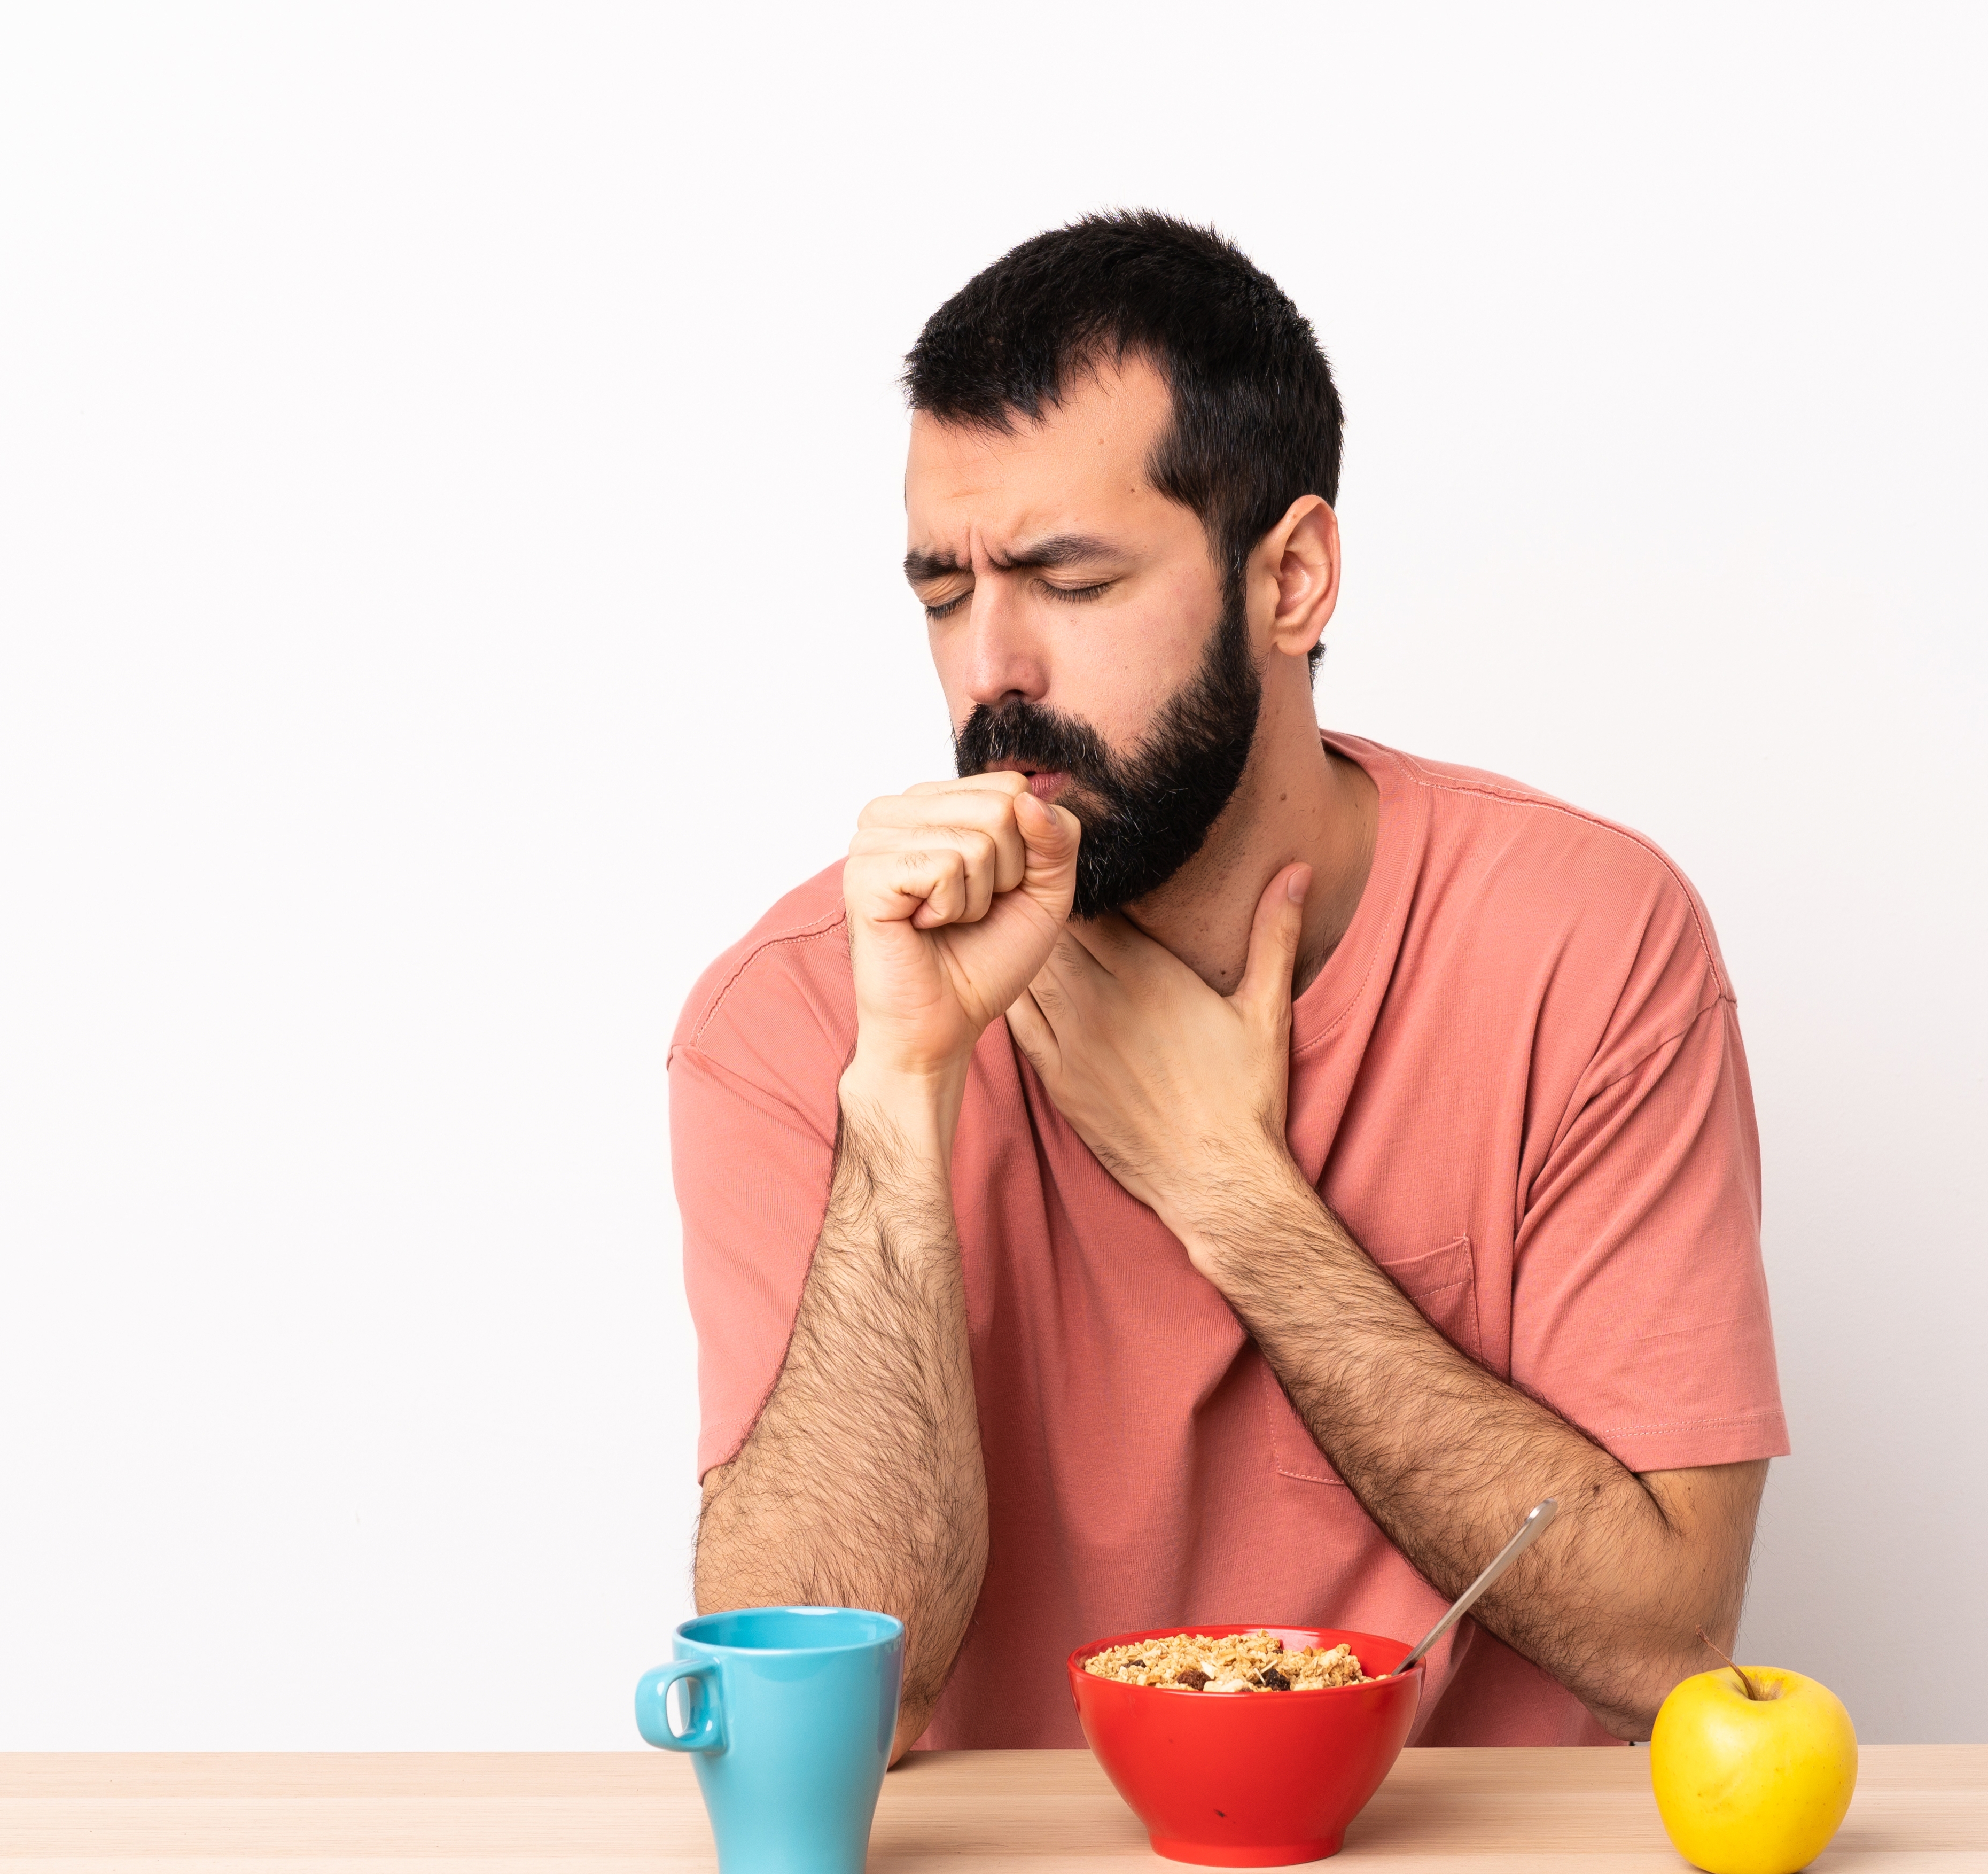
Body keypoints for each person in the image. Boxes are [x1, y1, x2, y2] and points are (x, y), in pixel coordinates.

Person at [669, 212, 1787, 1757]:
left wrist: (1231, 1194)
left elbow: (1669, 1645)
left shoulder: (1586, 945)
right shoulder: (795, 1013)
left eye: (1069, 580)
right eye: (942, 594)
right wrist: (904, 1091)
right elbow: (824, 1705)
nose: (991, 668)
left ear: (1294, 580)